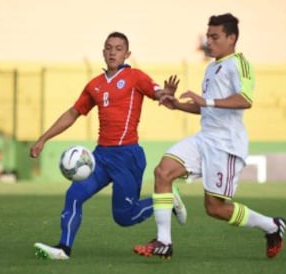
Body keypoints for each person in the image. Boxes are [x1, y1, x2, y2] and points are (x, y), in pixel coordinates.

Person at [134, 13, 286, 259]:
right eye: (208, 37)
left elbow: (245, 100)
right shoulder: (211, 67)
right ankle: (164, 242)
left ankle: (272, 226)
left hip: (226, 144)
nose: (209, 42)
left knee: (215, 209)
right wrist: (177, 104)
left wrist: (206, 100)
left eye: (215, 37)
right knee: (163, 171)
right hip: (204, 137)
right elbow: (206, 107)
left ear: (231, 38)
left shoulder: (240, 64)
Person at [30, 31, 187, 260]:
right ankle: (64, 249)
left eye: (118, 48)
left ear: (127, 53)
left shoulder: (135, 77)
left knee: (125, 217)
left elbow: (156, 91)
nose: (113, 52)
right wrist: (43, 138)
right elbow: (74, 113)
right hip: (100, 157)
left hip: (128, 156)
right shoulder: (94, 85)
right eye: (109, 48)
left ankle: (166, 199)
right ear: (103, 52)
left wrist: (166, 94)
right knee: (73, 195)